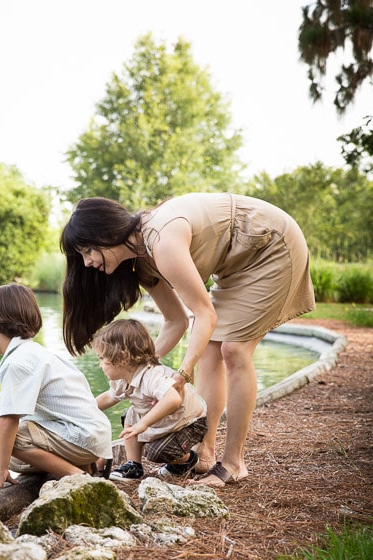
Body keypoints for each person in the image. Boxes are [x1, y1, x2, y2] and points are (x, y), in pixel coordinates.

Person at [60, 193, 315, 488]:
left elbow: (203, 314)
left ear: (105, 234)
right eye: (81, 256)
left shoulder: (161, 242)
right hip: (236, 263)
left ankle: (234, 464)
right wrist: (136, 372)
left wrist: (182, 373)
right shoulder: (142, 263)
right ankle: (204, 452)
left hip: (270, 243)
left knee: (234, 349)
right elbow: (176, 321)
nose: (88, 262)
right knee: (209, 351)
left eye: (88, 250)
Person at [0, 283, 112, 492]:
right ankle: (86, 466)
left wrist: (0, 471)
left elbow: (8, 419)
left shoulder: (17, 363)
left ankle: (78, 476)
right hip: (93, 438)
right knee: (14, 458)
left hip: (82, 438)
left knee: (13, 438)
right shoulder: (34, 352)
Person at [92, 318, 207, 480]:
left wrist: (143, 424)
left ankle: (187, 460)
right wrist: (85, 408)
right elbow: (109, 397)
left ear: (121, 359)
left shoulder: (151, 375)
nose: (100, 365)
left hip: (189, 423)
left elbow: (173, 399)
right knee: (131, 414)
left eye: (102, 359)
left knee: (157, 452)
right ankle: (134, 465)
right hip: (165, 421)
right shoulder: (122, 379)